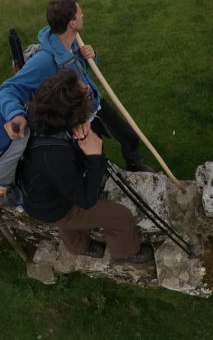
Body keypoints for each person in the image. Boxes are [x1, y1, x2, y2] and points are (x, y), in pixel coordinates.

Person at [0, 0, 154, 172]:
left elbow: (80, 70)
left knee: (130, 137)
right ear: (72, 23)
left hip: (96, 104)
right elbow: (8, 89)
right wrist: (15, 115)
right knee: (97, 159)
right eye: (80, 13)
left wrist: (91, 56)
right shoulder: (45, 60)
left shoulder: (72, 43)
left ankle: (134, 165)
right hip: (78, 118)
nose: (83, 15)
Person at [18, 68, 153, 266]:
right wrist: (95, 157)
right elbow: (85, 200)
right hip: (54, 206)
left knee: (67, 219)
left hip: (39, 195)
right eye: (83, 93)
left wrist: (74, 126)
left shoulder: (36, 115)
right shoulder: (54, 155)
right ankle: (125, 254)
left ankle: (79, 247)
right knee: (121, 218)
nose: (88, 88)